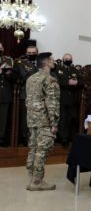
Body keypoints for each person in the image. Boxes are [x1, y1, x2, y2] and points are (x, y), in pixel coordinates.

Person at [25, 52, 60, 191]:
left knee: (33, 148)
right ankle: (37, 181)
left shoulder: (31, 78)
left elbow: (28, 100)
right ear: (47, 63)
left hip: (32, 119)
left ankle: (31, 177)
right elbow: (52, 103)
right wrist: (54, 123)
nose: (53, 61)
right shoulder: (49, 79)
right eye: (52, 60)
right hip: (44, 120)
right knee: (42, 149)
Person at [14, 44, 39, 145]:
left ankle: (36, 138)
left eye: (33, 53)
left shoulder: (41, 63)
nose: (31, 54)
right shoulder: (21, 63)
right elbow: (25, 77)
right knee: (25, 119)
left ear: (37, 53)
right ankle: (25, 139)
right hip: (26, 95)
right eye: (29, 53)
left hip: (40, 96)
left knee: (38, 119)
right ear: (26, 53)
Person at [54, 53, 81, 145]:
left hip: (72, 99)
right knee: (62, 119)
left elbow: (82, 81)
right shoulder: (58, 69)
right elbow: (57, 80)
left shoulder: (74, 70)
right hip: (62, 98)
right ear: (63, 60)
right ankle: (63, 138)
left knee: (71, 119)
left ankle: (70, 137)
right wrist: (68, 82)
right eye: (66, 59)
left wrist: (76, 83)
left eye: (69, 59)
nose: (68, 60)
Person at [0, 43, 16, 146]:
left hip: (4, 93)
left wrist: (4, 72)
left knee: (3, 118)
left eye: (0, 48)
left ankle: (1, 138)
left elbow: (14, 77)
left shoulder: (9, 60)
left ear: (3, 49)